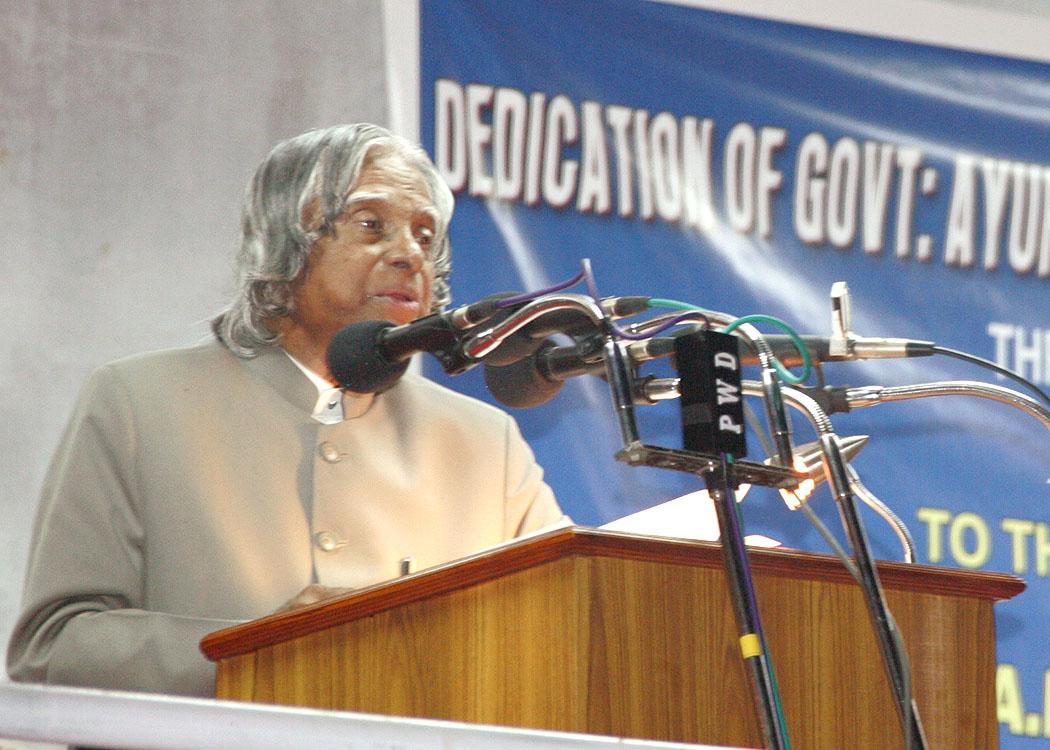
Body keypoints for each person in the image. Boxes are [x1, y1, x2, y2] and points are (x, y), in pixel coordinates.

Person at [7, 123, 566, 697]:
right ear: (283, 243)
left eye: (425, 236)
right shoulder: (137, 402)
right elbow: (54, 645)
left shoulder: (483, 441)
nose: (408, 255)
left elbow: (569, 630)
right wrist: (262, 651)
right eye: (371, 225)